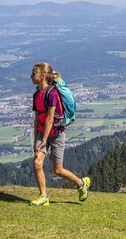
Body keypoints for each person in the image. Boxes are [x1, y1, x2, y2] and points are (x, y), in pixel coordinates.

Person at [29, 62, 90, 206]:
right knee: (37, 163)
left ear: (42, 76)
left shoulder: (52, 93)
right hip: (43, 133)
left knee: (58, 170)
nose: (31, 76)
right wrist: (36, 139)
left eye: (34, 73)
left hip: (56, 134)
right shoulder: (36, 94)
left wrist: (43, 140)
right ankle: (43, 196)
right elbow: (37, 118)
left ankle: (81, 184)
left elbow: (50, 118)